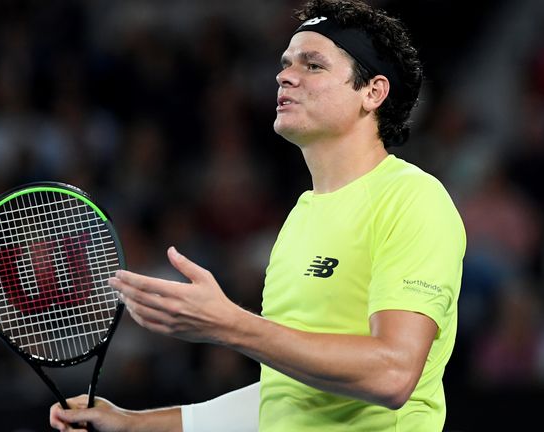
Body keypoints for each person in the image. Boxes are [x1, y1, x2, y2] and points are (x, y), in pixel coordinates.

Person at [50, 0, 465, 430]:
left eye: (313, 66)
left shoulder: (413, 199)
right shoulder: (301, 218)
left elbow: (392, 374)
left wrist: (229, 325)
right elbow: (287, 397)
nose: (285, 75)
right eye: (286, 64)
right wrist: (134, 423)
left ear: (372, 92)